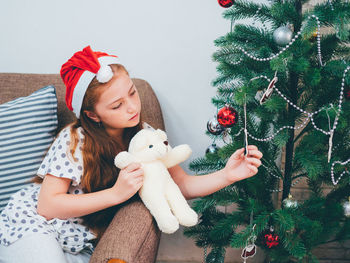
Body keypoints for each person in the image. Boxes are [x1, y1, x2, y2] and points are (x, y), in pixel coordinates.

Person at [0, 46, 263, 263]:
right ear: (93, 114)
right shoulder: (74, 140)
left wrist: (228, 175)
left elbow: (181, 184)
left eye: (132, 93)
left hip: (78, 240)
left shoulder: (146, 137)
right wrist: (116, 194)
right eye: (117, 105)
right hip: (34, 224)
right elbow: (47, 206)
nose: (132, 108)